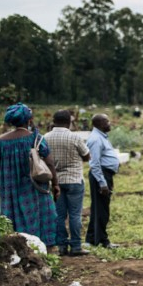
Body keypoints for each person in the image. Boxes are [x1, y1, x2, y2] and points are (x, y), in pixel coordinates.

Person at [0, 103, 60, 251]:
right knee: (42, 214)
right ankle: (46, 249)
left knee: (13, 216)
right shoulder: (35, 138)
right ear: (29, 120)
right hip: (35, 186)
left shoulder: (0, 142)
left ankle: (17, 248)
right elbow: (50, 163)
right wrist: (55, 184)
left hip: (10, 188)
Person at [44, 110, 90, 256]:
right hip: (74, 180)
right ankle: (76, 246)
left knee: (59, 215)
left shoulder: (45, 138)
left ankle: (62, 246)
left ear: (53, 121)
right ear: (69, 121)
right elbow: (87, 155)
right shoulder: (74, 137)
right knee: (75, 215)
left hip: (55, 181)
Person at [86, 113, 121, 248]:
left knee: (99, 208)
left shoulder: (101, 137)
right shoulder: (96, 139)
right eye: (107, 121)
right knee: (101, 209)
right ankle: (101, 240)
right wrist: (102, 183)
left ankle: (93, 239)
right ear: (100, 124)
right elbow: (94, 164)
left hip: (105, 174)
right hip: (100, 176)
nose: (109, 123)